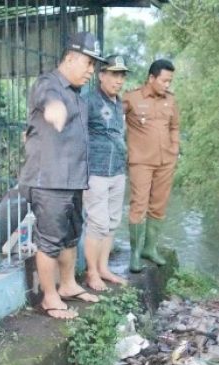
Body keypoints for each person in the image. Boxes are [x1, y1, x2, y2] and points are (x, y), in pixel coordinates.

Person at [19, 32, 106, 319]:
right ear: (70, 58)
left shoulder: (77, 97)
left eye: (95, 65)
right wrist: (54, 109)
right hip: (49, 182)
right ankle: (50, 297)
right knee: (49, 241)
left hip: (72, 180)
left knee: (70, 237)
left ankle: (68, 285)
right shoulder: (50, 83)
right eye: (89, 64)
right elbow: (48, 100)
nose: (91, 71)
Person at [123, 59, 180, 272]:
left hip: (166, 161)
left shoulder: (171, 101)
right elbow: (109, 119)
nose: (168, 85)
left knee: (159, 206)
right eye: (164, 80)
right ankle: (135, 254)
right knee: (138, 206)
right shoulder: (132, 98)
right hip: (141, 162)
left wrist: (174, 147)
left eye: (170, 81)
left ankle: (150, 248)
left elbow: (174, 127)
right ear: (151, 78)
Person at [82, 55, 130, 290]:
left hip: (118, 170)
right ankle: (91, 273)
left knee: (112, 222)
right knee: (97, 223)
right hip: (97, 172)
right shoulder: (89, 101)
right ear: (101, 76)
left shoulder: (118, 103)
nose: (118, 80)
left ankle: (103, 268)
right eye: (114, 74)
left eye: (121, 76)